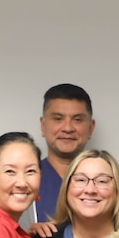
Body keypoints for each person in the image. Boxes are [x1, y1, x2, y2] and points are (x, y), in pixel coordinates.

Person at [34, 83, 97, 222]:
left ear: (91, 128)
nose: (68, 128)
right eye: (58, 118)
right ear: (43, 126)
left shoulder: (110, 184)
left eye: (77, 119)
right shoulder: (24, 182)